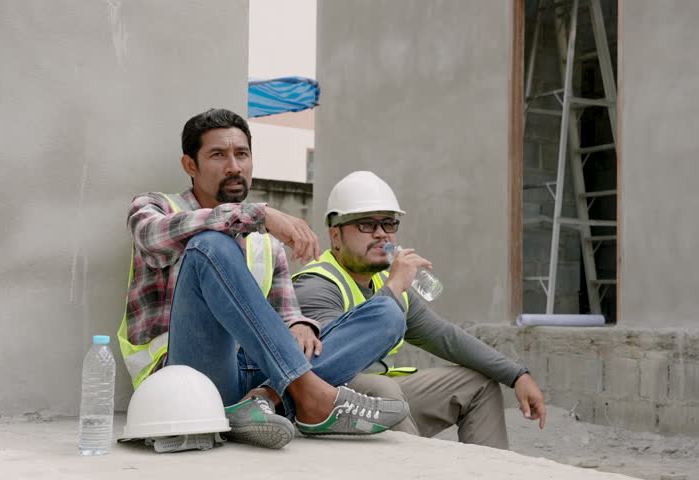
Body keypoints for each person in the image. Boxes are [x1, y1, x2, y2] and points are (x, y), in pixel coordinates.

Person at [119, 110, 409, 450]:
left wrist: (301, 324)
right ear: (190, 165)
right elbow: (152, 238)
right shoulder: (155, 207)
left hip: (258, 373)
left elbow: (285, 314)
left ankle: (264, 400)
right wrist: (259, 214)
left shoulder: (267, 243)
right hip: (187, 378)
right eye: (218, 155)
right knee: (210, 245)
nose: (234, 167)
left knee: (387, 315)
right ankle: (310, 400)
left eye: (242, 154)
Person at [292, 170, 547, 450]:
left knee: (478, 385)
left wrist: (516, 375)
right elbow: (328, 363)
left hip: (386, 400)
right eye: (366, 224)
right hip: (331, 410)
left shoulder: (383, 281)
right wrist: (392, 289)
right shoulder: (316, 284)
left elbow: (445, 337)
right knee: (384, 391)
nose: (381, 234)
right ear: (335, 236)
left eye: (388, 223)